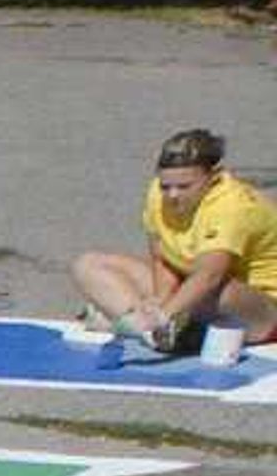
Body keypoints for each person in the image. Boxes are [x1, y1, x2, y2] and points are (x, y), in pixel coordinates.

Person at [71, 127, 277, 356]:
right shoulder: (157, 194)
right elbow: (162, 255)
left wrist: (164, 314)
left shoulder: (232, 207)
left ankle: (150, 327)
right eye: (166, 186)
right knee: (89, 266)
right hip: (192, 288)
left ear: (214, 177)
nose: (172, 195)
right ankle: (156, 332)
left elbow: (210, 276)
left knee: (219, 291)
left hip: (261, 307)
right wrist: (161, 299)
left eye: (184, 187)